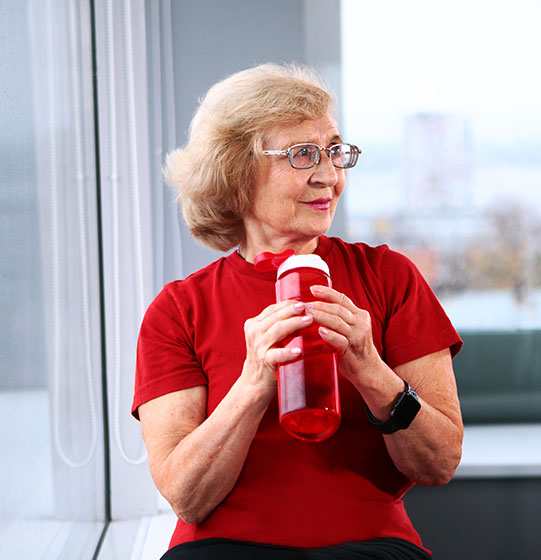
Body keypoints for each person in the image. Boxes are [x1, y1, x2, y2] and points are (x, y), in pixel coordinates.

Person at [132, 63, 463, 560]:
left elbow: (439, 463)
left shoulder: (389, 276)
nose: (328, 175)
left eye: (333, 151)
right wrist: (254, 380)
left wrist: (369, 368)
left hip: (370, 544)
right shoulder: (179, 309)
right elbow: (187, 496)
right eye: (302, 154)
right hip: (225, 548)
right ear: (235, 170)